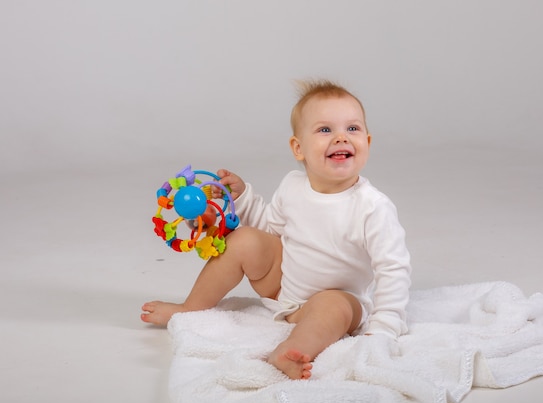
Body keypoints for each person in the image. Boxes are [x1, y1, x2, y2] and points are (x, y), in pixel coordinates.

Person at [141, 80, 412, 380]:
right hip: (283, 286)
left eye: (352, 129)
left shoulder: (373, 207)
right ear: (298, 148)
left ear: (368, 143)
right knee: (244, 240)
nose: (340, 138)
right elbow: (270, 228)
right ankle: (190, 309)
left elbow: (393, 268)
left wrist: (385, 327)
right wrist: (242, 197)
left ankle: (290, 351)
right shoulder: (293, 186)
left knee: (333, 306)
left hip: (340, 297)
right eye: (325, 130)